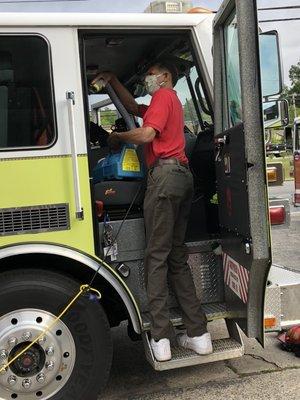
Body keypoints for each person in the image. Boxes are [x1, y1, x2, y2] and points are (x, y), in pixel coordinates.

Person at [92, 60, 213, 361]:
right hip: (182, 178)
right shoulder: (169, 101)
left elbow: (146, 135)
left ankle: (161, 339)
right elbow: (133, 107)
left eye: (148, 75)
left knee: (155, 257)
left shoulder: (163, 96)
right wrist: (112, 79)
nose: (147, 79)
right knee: (175, 254)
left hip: (165, 178)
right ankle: (199, 335)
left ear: (165, 76)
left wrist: (118, 137)